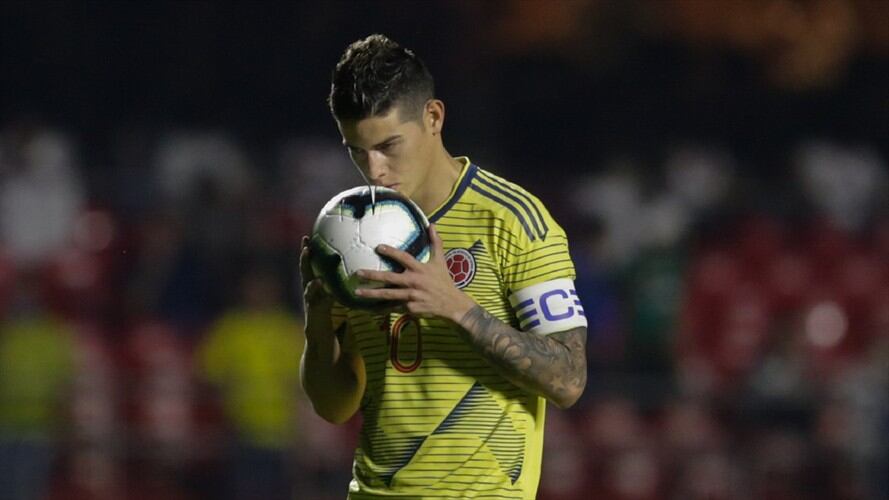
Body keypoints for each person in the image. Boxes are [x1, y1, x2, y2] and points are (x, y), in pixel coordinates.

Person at [300, 34, 588, 499]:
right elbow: (334, 406)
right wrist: (317, 324)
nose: (374, 170)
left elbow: (569, 379)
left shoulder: (512, 220)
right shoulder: (348, 232)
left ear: (433, 118)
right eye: (357, 150)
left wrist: (456, 307)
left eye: (389, 145)